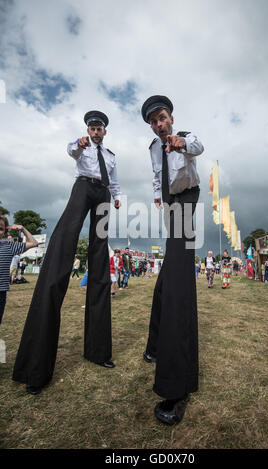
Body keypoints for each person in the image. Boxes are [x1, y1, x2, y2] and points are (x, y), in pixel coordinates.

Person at [13, 110, 121, 395]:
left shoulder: (110, 155)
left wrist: (118, 197)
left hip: (104, 195)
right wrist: (79, 143)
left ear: (105, 132)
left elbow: (114, 178)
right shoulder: (81, 145)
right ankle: (36, 368)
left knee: (100, 265)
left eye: (99, 128)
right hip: (83, 188)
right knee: (63, 245)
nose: (95, 131)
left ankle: (98, 351)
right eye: (92, 128)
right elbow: (71, 150)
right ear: (88, 130)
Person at [141, 95, 204, 425]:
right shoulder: (153, 147)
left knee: (178, 273)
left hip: (186, 198)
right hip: (168, 202)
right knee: (167, 273)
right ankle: (154, 345)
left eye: (162, 118)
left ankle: (178, 385)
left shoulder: (185, 136)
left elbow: (198, 146)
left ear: (171, 117)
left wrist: (181, 142)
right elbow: (156, 173)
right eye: (154, 121)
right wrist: (155, 195)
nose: (159, 124)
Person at [0, 216, 38, 324]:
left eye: (1, 228)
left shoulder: (9, 246)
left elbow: (34, 243)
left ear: (5, 232)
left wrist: (22, 229)